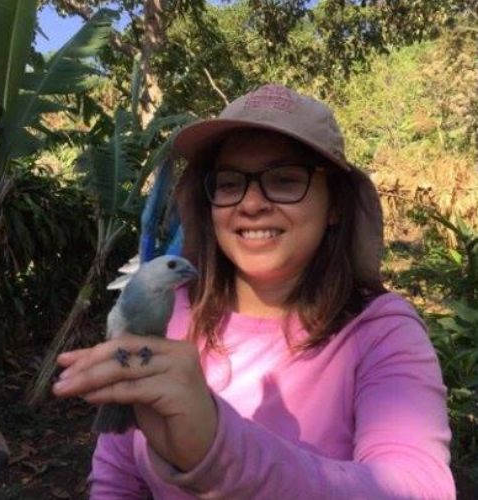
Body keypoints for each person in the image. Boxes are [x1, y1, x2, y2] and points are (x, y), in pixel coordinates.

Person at [53, 84, 456, 499]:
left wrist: (217, 450)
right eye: (230, 184)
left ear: (335, 204)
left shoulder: (382, 333)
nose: (250, 204)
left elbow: (416, 488)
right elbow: (117, 477)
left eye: (284, 180)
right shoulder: (168, 311)